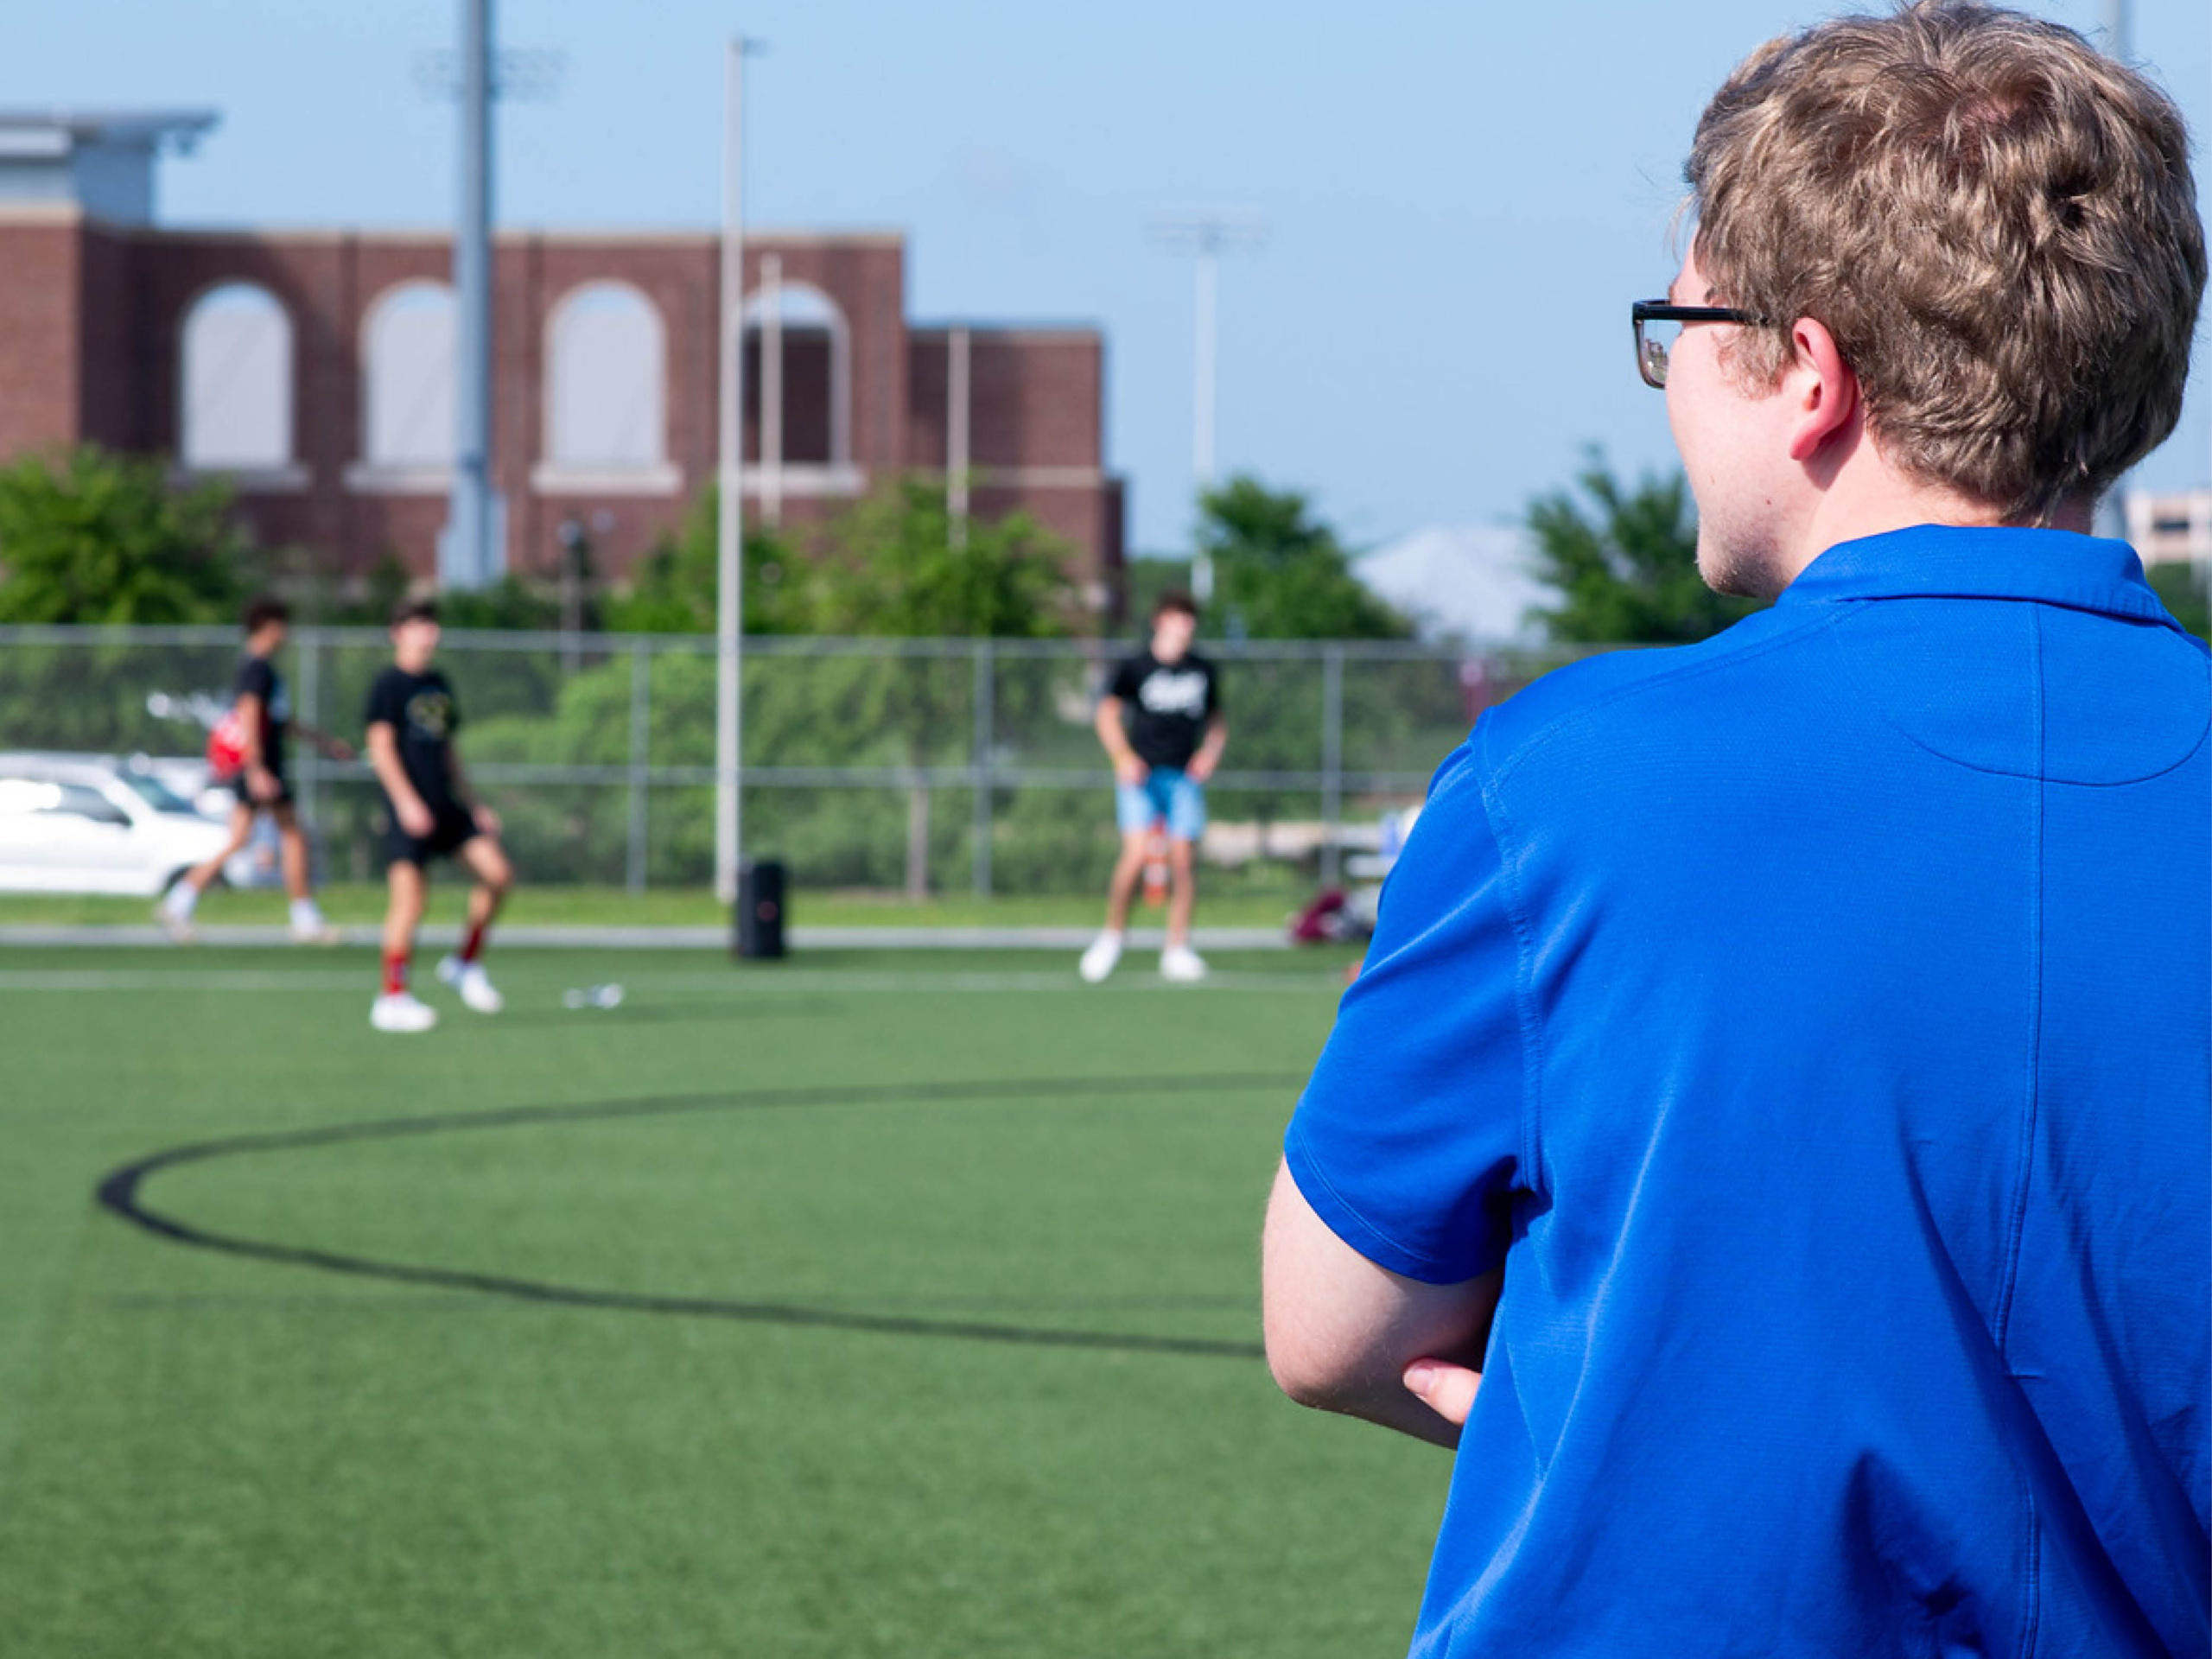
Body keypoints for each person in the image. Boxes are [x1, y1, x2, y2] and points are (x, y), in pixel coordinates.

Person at [1262, 6, 2209, 1655]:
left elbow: (1332, 1326)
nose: (1670, 376)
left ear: (1812, 374)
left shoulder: (1566, 779)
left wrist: (1650, 1417)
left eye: (1683, 324)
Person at [156, 595, 353, 944]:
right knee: (291, 836)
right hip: (261, 767)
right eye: (282, 625)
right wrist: (257, 768)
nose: (286, 633)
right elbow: (248, 715)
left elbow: (279, 721)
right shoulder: (256, 667)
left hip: (263, 766)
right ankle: (304, 917)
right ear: (267, 626)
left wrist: (324, 742)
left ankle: (180, 901)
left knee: (243, 840)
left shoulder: (263, 669)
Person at [364, 598, 513, 1033]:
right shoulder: (388, 684)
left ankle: (465, 963)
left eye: (432, 625)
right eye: (419, 625)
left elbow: (447, 749)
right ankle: (391, 998)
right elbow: (381, 747)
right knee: (410, 902)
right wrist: (406, 802)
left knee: (498, 875)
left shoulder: (437, 684)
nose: (430, 633)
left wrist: (473, 802)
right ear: (399, 633)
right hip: (408, 810)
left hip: (446, 807)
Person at [1079, 591, 1227, 983]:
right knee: (1136, 856)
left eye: (1190, 619)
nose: (1186, 626)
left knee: (1182, 861)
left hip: (1182, 779)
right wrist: (1123, 757)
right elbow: (1107, 714)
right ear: (1160, 621)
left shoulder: (1203, 670)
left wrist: (1209, 754)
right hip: (1140, 777)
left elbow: (1216, 721)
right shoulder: (1135, 666)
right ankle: (1112, 938)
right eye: (1179, 618)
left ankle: (1177, 948)